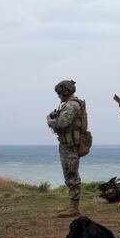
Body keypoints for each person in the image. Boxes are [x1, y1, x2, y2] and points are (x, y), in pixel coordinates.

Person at [47, 80, 89, 218]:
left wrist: (50, 120)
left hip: (70, 146)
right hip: (68, 145)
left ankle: (74, 208)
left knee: (71, 174)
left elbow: (62, 122)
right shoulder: (71, 105)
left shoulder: (71, 106)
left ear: (65, 92)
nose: (59, 96)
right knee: (70, 173)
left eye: (59, 93)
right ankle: (72, 205)